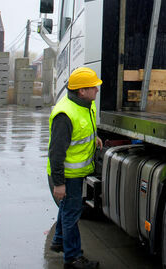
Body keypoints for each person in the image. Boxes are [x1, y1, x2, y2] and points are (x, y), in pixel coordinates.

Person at [47, 67, 103, 269]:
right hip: (67, 174)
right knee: (72, 213)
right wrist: (59, 184)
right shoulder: (65, 115)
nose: (97, 89)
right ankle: (72, 259)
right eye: (93, 87)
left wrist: (93, 139)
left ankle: (59, 241)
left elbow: (82, 131)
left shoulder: (86, 104)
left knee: (67, 209)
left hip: (75, 173)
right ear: (81, 91)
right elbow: (56, 153)